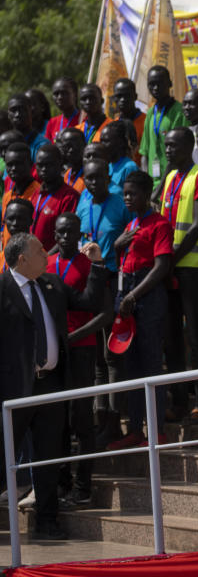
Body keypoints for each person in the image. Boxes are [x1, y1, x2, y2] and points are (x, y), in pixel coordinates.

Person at [0, 232, 107, 540]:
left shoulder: (52, 285)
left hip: (50, 386)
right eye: (38, 251)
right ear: (22, 259)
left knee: (48, 457)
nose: (47, 253)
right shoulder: (3, 288)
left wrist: (97, 264)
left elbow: (88, 301)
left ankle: (47, 520)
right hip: (13, 390)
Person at [47, 213, 113, 509]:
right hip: (52, 352)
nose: (64, 238)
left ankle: (84, 485)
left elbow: (104, 312)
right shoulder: (45, 266)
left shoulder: (90, 265)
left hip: (82, 348)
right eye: (60, 233)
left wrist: (74, 337)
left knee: (81, 419)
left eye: (70, 232)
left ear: (79, 234)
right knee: (57, 419)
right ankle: (61, 483)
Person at [107, 171, 174, 449]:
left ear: (147, 194)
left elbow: (161, 267)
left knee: (150, 364)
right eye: (124, 194)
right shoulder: (130, 224)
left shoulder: (159, 224)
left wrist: (133, 295)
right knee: (130, 366)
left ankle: (156, 429)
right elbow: (123, 261)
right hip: (127, 294)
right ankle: (134, 428)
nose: (127, 198)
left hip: (146, 296)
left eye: (132, 193)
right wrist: (116, 246)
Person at [76, 158, 133, 442]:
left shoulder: (119, 203)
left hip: (114, 279)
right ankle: (101, 418)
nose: (94, 183)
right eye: (89, 178)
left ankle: (114, 419)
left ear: (108, 176)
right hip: (91, 281)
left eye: (99, 177)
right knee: (97, 358)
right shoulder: (83, 202)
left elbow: (130, 239)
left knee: (113, 356)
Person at [159, 127, 198, 424]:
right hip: (171, 270)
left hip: (192, 267)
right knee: (173, 340)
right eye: (165, 146)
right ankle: (179, 401)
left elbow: (196, 226)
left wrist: (170, 258)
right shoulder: (170, 178)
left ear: (188, 147)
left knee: (196, 335)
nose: (168, 151)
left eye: (173, 145)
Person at [138, 66, 189, 189]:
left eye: (160, 83)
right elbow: (144, 153)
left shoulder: (179, 112)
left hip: (172, 182)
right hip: (152, 185)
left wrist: (160, 188)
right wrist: (146, 183)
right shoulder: (150, 113)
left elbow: (178, 156)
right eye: (151, 84)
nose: (155, 88)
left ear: (170, 83)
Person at [31, 144, 80, 250]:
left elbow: (67, 236)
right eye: (40, 165)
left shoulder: (69, 197)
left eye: (49, 165)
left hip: (52, 261)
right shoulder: (36, 194)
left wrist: (47, 259)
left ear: (60, 164)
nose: (44, 169)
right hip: (33, 259)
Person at [2, 142, 41, 239]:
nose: (13, 169)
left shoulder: (39, 194)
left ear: (30, 164)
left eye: (18, 164)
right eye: (10, 165)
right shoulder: (7, 196)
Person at [113, 78, 146, 166]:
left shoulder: (146, 122)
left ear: (135, 96)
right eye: (119, 96)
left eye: (127, 95)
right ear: (114, 98)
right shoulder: (112, 125)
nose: (123, 100)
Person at [8, 93, 51, 159]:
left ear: (31, 111)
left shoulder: (42, 145)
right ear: (8, 114)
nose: (17, 114)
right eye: (13, 110)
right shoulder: (5, 144)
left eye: (22, 109)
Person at [101, 120, 139, 193]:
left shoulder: (129, 168)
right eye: (101, 141)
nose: (102, 145)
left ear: (121, 142)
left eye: (106, 141)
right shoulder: (108, 166)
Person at [0, 198, 34, 272]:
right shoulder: (2, 257)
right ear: (4, 221)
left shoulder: (39, 257)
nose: (15, 223)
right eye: (11, 219)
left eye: (20, 219)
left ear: (31, 221)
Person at [45, 77, 82, 143]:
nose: (59, 97)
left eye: (64, 93)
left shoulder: (84, 119)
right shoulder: (52, 123)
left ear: (75, 95)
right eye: (56, 94)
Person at [57, 127, 87, 193]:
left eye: (76, 145)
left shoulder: (90, 174)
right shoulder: (66, 175)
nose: (71, 150)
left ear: (85, 145)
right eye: (67, 146)